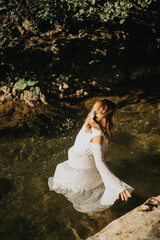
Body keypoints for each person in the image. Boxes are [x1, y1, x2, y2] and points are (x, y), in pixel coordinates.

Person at [48, 99, 134, 213]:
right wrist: (118, 185)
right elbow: (100, 162)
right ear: (110, 117)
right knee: (100, 200)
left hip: (73, 169)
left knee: (82, 200)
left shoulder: (89, 123)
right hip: (83, 176)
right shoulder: (98, 136)